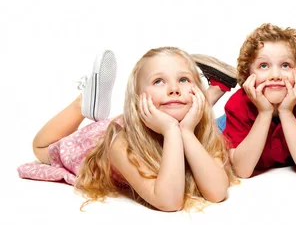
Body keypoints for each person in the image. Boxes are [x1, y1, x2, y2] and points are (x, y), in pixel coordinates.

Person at [18, 47, 235, 211]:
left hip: (146, 121)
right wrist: (171, 130)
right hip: (94, 143)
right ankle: (83, 102)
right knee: (42, 148)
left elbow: (216, 192)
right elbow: (170, 202)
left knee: (175, 109)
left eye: (184, 80)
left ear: (198, 91)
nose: (174, 89)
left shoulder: (203, 132)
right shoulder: (120, 145)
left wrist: (186, 132)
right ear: (137, 98)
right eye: (159, 81)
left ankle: (214, 89)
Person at [222, 23, 296, 178]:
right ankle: (215, 88)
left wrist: (286, 111)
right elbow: (242, 171)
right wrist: (264, 112)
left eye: (285, 65)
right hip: (224, 126)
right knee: (209, 133)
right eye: (264, 65)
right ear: (248, 74)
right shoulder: (237, 104)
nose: (275, 75)